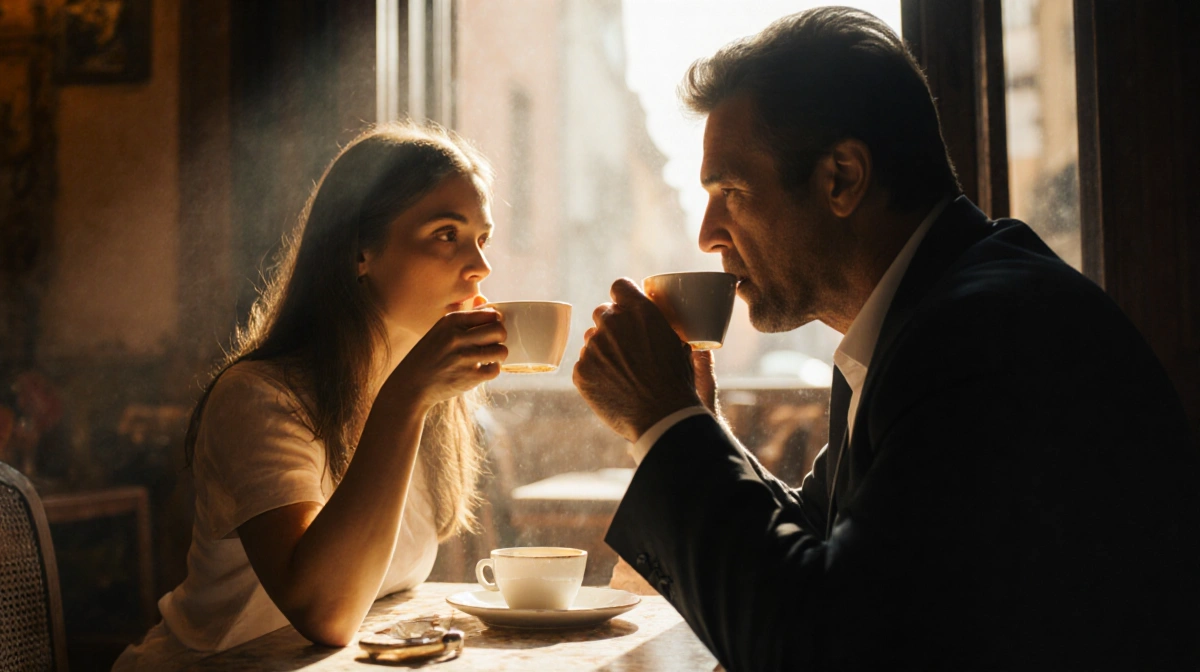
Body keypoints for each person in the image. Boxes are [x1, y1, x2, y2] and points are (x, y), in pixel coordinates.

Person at [573, 7, 1200, 671]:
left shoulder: (980, 338)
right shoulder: (918, 319)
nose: (707, 233)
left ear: (842, 177)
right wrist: (696, 421)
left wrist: (665, 422)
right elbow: (816, 551)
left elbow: (827, 646)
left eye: (732, 189)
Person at [114, 123, 507, 670]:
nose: (481, 266)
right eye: (447, 234)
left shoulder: (434, 402)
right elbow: (326, 613)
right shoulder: (259, 398)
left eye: (482, 239)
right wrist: (406, 399)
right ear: (360, 252)